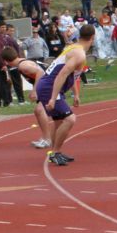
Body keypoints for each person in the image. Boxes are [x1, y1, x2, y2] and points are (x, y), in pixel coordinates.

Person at [35, 25, 93, 165]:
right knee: (70, 119)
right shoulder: (79, 53)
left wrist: (76, 94)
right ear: (93, 38)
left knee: (59, 121)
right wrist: (53, 98)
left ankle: (55, 153)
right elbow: (63, 73)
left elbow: (70, 75)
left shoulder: (73, 47)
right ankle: (55, 153)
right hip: (49, 87)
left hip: (47, 85)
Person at [1, 46, 52, 148]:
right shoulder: (22, 62)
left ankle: (47, 139)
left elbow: (41, 73)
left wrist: (34, 91)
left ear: (6, 61)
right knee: (40, 111)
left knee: (40, 111)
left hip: (49, 85)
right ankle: (47, 138)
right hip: (48, 85)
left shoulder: (23, 66)